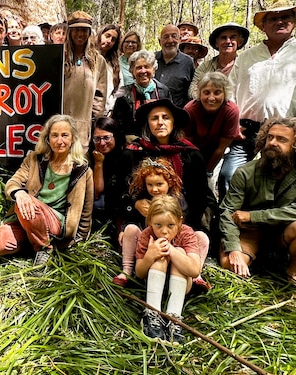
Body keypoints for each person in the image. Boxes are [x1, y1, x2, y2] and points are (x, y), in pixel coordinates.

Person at [220, 0, 296, 198]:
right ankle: (229, 223)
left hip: (290, 132)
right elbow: (231, 92)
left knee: (281, 184)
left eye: (285, 17)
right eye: (273, 18)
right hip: (248, 131)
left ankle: (272, 225)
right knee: (229, 176)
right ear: (263, 25)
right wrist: (232, 124)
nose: (279, 21)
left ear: (294, 21)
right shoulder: (247, 57)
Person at [219, 117, 296, 285]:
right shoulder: (245, 172)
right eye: (270, 137)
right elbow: (228, 211)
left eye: (282, 139)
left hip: (284, 231)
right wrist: (233, 249)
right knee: (229, 265)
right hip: (249, 232)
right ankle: (253, 257)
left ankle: (292, 272)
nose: (273, 142)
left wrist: (254, 216)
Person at [0, 115, 94, 265]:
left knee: (27, 203)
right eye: (54, 135)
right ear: (47, 139)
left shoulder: (82, 170)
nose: (59, 141)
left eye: (65, 135)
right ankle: (33, 241)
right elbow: (13, 183)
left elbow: (86, 209)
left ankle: (43, 248)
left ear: (72, 139)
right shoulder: (34, 159)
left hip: (56, 223)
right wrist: (19, 193)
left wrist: (79, 237)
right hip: (28, 216)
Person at [126, 99, 212, 263]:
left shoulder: (191, 156)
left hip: (182, 222)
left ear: (174, 122)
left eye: (165, 117)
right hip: (144, 224)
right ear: (148, 123)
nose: (160, 123)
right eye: (154, 118)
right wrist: (136, 203)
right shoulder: (135, 153)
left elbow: (200, 198)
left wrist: (177, 219)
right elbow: (122, 191)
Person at [135, 195, 203, 343]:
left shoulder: (186, 233)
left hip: (181, 285)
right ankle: (152, 314)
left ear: (179, 222)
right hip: (154, 284)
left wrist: (172, 250)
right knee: (159, 256)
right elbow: (139, 273)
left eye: (170, 225)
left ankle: (174, 318)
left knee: (180, 253)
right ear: (150, 222)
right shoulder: (147, 235)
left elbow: (194, 270)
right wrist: (149, 256)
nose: (164, 231)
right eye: (158, 225)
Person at [117, 157, 183, 286]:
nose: (154, 189)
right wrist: (123, 229)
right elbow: (131, 217)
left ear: (169, 183)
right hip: (146, 241)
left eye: (159, 184)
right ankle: (127, 271)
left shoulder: (177, 201)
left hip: (171, 242)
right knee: (130, 229)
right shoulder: (142, 200)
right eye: (150, 185)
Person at [63, 11, 108, 147]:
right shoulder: (60, 56)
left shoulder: (98, 61)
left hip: (84, 126)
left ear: (89, 32)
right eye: (76, 30)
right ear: (70, 32)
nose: (80, 34)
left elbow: (100, 96)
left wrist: (95, 122)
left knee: (80, 165)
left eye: (84, 30)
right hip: (58, 124)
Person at [183, 72, 242, 174]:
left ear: (225, 93)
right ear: (199, 93)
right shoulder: (190, 110)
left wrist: (207, 172)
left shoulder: (231, 111)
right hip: (193, 151)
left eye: (217, 92)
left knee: (225, 175)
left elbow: (221, 148)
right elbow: (188, 146)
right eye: (206, 92)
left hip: (218, 151)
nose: (211, 98)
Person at [111, 49, 171, 137]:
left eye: (147, 67)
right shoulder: (124, 95)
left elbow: (169, 118)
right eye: (139, 68)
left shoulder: (163, 91)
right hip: (133, 143)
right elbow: (117, 124)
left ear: (153, 69)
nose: (143, 71)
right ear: (132, 71)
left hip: (159, 140)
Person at [89, 116, 129, 243]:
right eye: (97, 139)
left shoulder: (126, 156)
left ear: (115, 136)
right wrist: (98, 164)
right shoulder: (91, 156)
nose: (101, 143)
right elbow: (96, 192)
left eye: (106, 138)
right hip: (101, 204)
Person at [189, 22, 248, 99]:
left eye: (232, 37)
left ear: (239, 42)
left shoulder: (245, 66)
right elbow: (192, 90)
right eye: (223, 38)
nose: (228, 41)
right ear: (217, 43)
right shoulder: (205, 66)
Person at [154, 24, 194, 108]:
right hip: (152, 114)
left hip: (177, 115)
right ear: (159, 41)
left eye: (174, 36)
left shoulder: (188, 62)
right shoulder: (151, 59)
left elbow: (191, 93)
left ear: (179, 40)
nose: (170, 40)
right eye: (166, 37)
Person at [97, 24, 122, 112]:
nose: (109, 41)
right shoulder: (88, 58)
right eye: (107, 36)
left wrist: (111, 109)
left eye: (113, 39)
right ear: (100, 34)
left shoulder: (115, 64)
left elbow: (119, 90)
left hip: (106, 111)